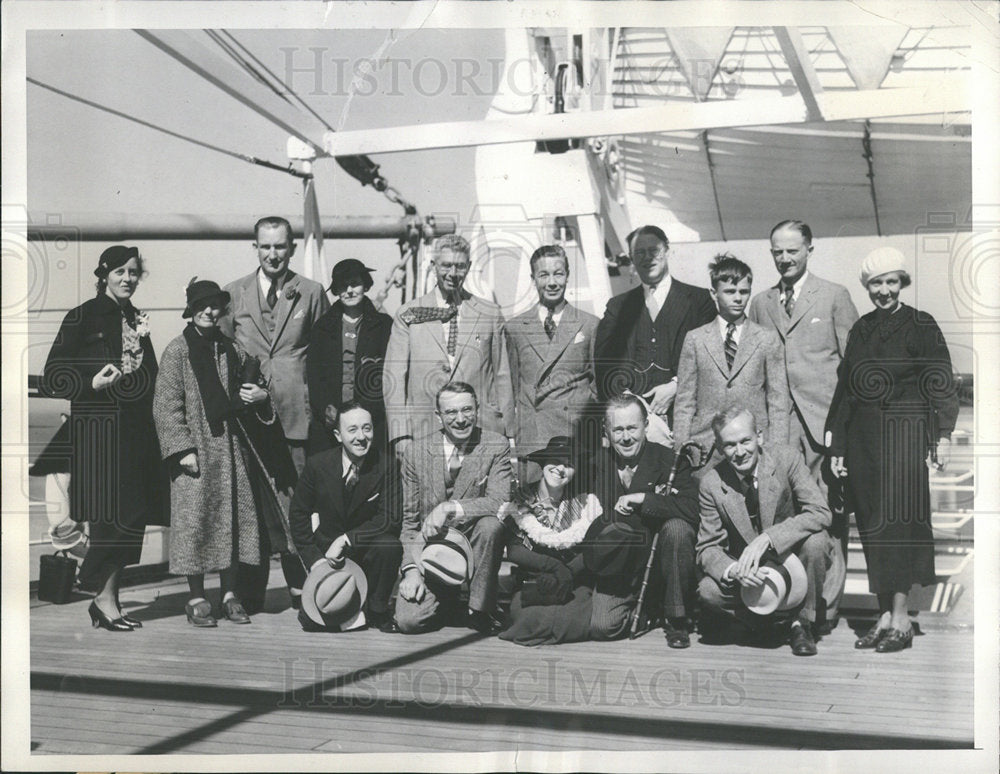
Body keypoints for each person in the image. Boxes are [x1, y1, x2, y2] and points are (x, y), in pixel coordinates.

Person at [827, 247, 958, 653]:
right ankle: (884, 616)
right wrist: (839, 443)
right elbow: (846, 389)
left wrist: (944, 435)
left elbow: (941, 382)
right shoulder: (861, 329)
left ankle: (902, 619)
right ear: (867, 287)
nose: (883, 290)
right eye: (876, 284)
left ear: (902, 282)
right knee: (871, 526)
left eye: (890, 282)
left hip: (904, 436)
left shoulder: (921, 324)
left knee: (899, 526)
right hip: (864, 440)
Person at [154, 279, 298, 627]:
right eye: (201, 305)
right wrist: (181, 449)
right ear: (191, 310)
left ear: (221, 309)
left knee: (234, 522)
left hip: (233, 450)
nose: (208, 311)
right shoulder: (177, 351)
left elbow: (258, 385)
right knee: (196, 524)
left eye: (214, 305)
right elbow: (166, 406)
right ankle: (196, 595)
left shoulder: (231, 349)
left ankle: (230, 594)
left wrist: (261, 397)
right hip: (196, 453)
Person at [42, 245, 169, 631]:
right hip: (98, 432)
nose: (128, 279)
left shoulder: (137, 318)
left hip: (136, 434)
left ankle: (107, 599)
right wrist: (90, 382)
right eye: (120, 272)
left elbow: (152, 376)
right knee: (111, 520)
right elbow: (51, 376)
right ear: (104, 275)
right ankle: (98, 592)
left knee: (132, 521)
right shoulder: (82, 316)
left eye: (133, 272)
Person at [220, 216, 328, 610]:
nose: (273, 254)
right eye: (265, 246)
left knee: (295, 501)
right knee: (250, 502)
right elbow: (224, 355)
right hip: (249, 421)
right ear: (255, 248)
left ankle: (304, 588)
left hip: (295, 415)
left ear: (292, 248)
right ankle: (250, 592)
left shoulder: (312, 293)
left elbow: (324, 354)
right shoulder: (233, 294)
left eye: (280, 246)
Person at [747, 221, 859, 561]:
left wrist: (845, 429)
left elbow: (854, 367)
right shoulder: (760, 303)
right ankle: (792, 602)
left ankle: (824, 612)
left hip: (823, 426)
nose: (785, 258)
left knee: (829, 510)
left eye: (792, 250)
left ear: (809, 249)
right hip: (778, 427)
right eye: (777, 252)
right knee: (782, 511)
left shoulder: (834, 295)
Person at [696, 406, 845, 656]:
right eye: (730, 445)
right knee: (708, 591)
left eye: (746, 441)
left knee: (817, 543)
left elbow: (820, 512)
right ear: (720, 449)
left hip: (790, 563)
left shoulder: (786, 459)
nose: (740, 452)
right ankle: (763, 622)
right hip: (750, 577)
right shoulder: (711, 483)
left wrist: (768, 538)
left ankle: (801, 623)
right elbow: (707, 548)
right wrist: (734, 571)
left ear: (760, 437)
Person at [395, 381, 513, 635]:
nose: (461, 419)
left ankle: (480, 609)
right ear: (438, 416)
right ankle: (446, 599)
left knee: (491, 525)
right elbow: (409, 523)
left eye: (467, 410)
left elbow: (500, 501)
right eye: (451, 412)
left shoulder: (495, 445)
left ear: (477, 409)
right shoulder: (416, 452)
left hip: (474, 546)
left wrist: (452, 507)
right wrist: (411, 570)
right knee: (409, 621)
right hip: (433, 552)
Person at [383, 234, 514, 461]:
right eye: (446, 265)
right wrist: (400, 434)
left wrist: (508, 434)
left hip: (480, 433)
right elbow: (393, 377)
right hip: (424, 432)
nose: (453, 273)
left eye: (460, 266)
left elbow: (503, 375)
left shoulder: (489, 313)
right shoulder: (409, 313)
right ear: (433, 266)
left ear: (469, 267)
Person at [587, 393, 699, 647]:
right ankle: (649, 612)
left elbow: (693, 508)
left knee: (678, 528)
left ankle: (675, 617)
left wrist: (644, 499)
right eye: (618, 429)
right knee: (602, 626)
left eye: (632, 428)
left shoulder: (670, 460)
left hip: (661, 566)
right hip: (619, 569)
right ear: (607, 431)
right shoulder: (595, 465)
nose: (626, 437)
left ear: (646, 426)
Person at [287, 401, 403, 633]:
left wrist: (347, 539)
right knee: (313, 624)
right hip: (328, 557)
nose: (361, 437)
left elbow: (389, 518)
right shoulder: (317, 465)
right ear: (338, 435)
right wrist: (315, 560)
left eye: (367, 428)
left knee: (390, 545)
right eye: (353, 430)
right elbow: (298, 515)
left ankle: (378, 609)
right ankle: (350, 611)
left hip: (366, 550)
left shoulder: (387, 465)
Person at [594, 225, 716, 421]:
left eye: (654, 250)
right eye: (640, 252)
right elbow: (604, 364)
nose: (648, 258)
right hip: (633, 425)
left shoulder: (699, 301)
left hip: (687, 416)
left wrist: (676, 386)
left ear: (667, 250)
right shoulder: (617, 307)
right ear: (631, 258)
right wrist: (630, 403)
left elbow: (710, 359)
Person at [673, 254, 789, 455]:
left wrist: (777, 449)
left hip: (753, 446)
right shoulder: (695, 339)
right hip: (706, 446)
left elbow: (778, 400)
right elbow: (685, 400)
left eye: (744, 292)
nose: (738, 298)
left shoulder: (766, 338)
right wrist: (682, 447)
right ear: (713, 293)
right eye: (730, 291)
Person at [505, 245, 599, 484]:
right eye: (543, 275)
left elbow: (599, 386)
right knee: (535, 514)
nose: (552, 282)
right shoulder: (515, 328)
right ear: (533, 279)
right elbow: (511, 387)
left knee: (579, 512)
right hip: (533, 437)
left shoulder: (589, 324)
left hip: (576, 438)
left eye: (558, 273)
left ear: (567, 275)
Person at [498, 437, 604, 646]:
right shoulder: (523, 498)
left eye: (569, 464)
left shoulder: (583, 502)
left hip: (573, 581)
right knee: (530, 620)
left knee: (575, 618)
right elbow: (514, 550)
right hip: (535, 581)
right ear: (544, 464)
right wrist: (552, 566)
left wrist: (568, 572)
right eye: (555, 461)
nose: (561, 468)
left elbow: (591, 549)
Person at [306, 259, 392, 456]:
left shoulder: (384, 325)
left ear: (366, 285)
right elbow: (314, 375)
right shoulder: (322, 327)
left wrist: (368, 412)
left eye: (355, 283)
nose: (350, 290)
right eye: (343, 286)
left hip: (372, 419)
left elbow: (388, 374)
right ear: (335, 290)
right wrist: (326, 409)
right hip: (331, 421)